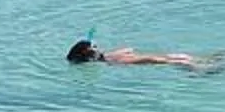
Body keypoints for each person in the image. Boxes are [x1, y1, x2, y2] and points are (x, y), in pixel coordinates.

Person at [67, 37, 202, 68]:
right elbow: (128, 49)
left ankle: (200, 64)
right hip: (137, 60)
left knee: (176, 58)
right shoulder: (108, 58)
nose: (97, 46)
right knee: (175, 59)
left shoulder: (106, 57)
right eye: (95, 46)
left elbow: (128, 50)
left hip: (141, 58)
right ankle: (200, 66)